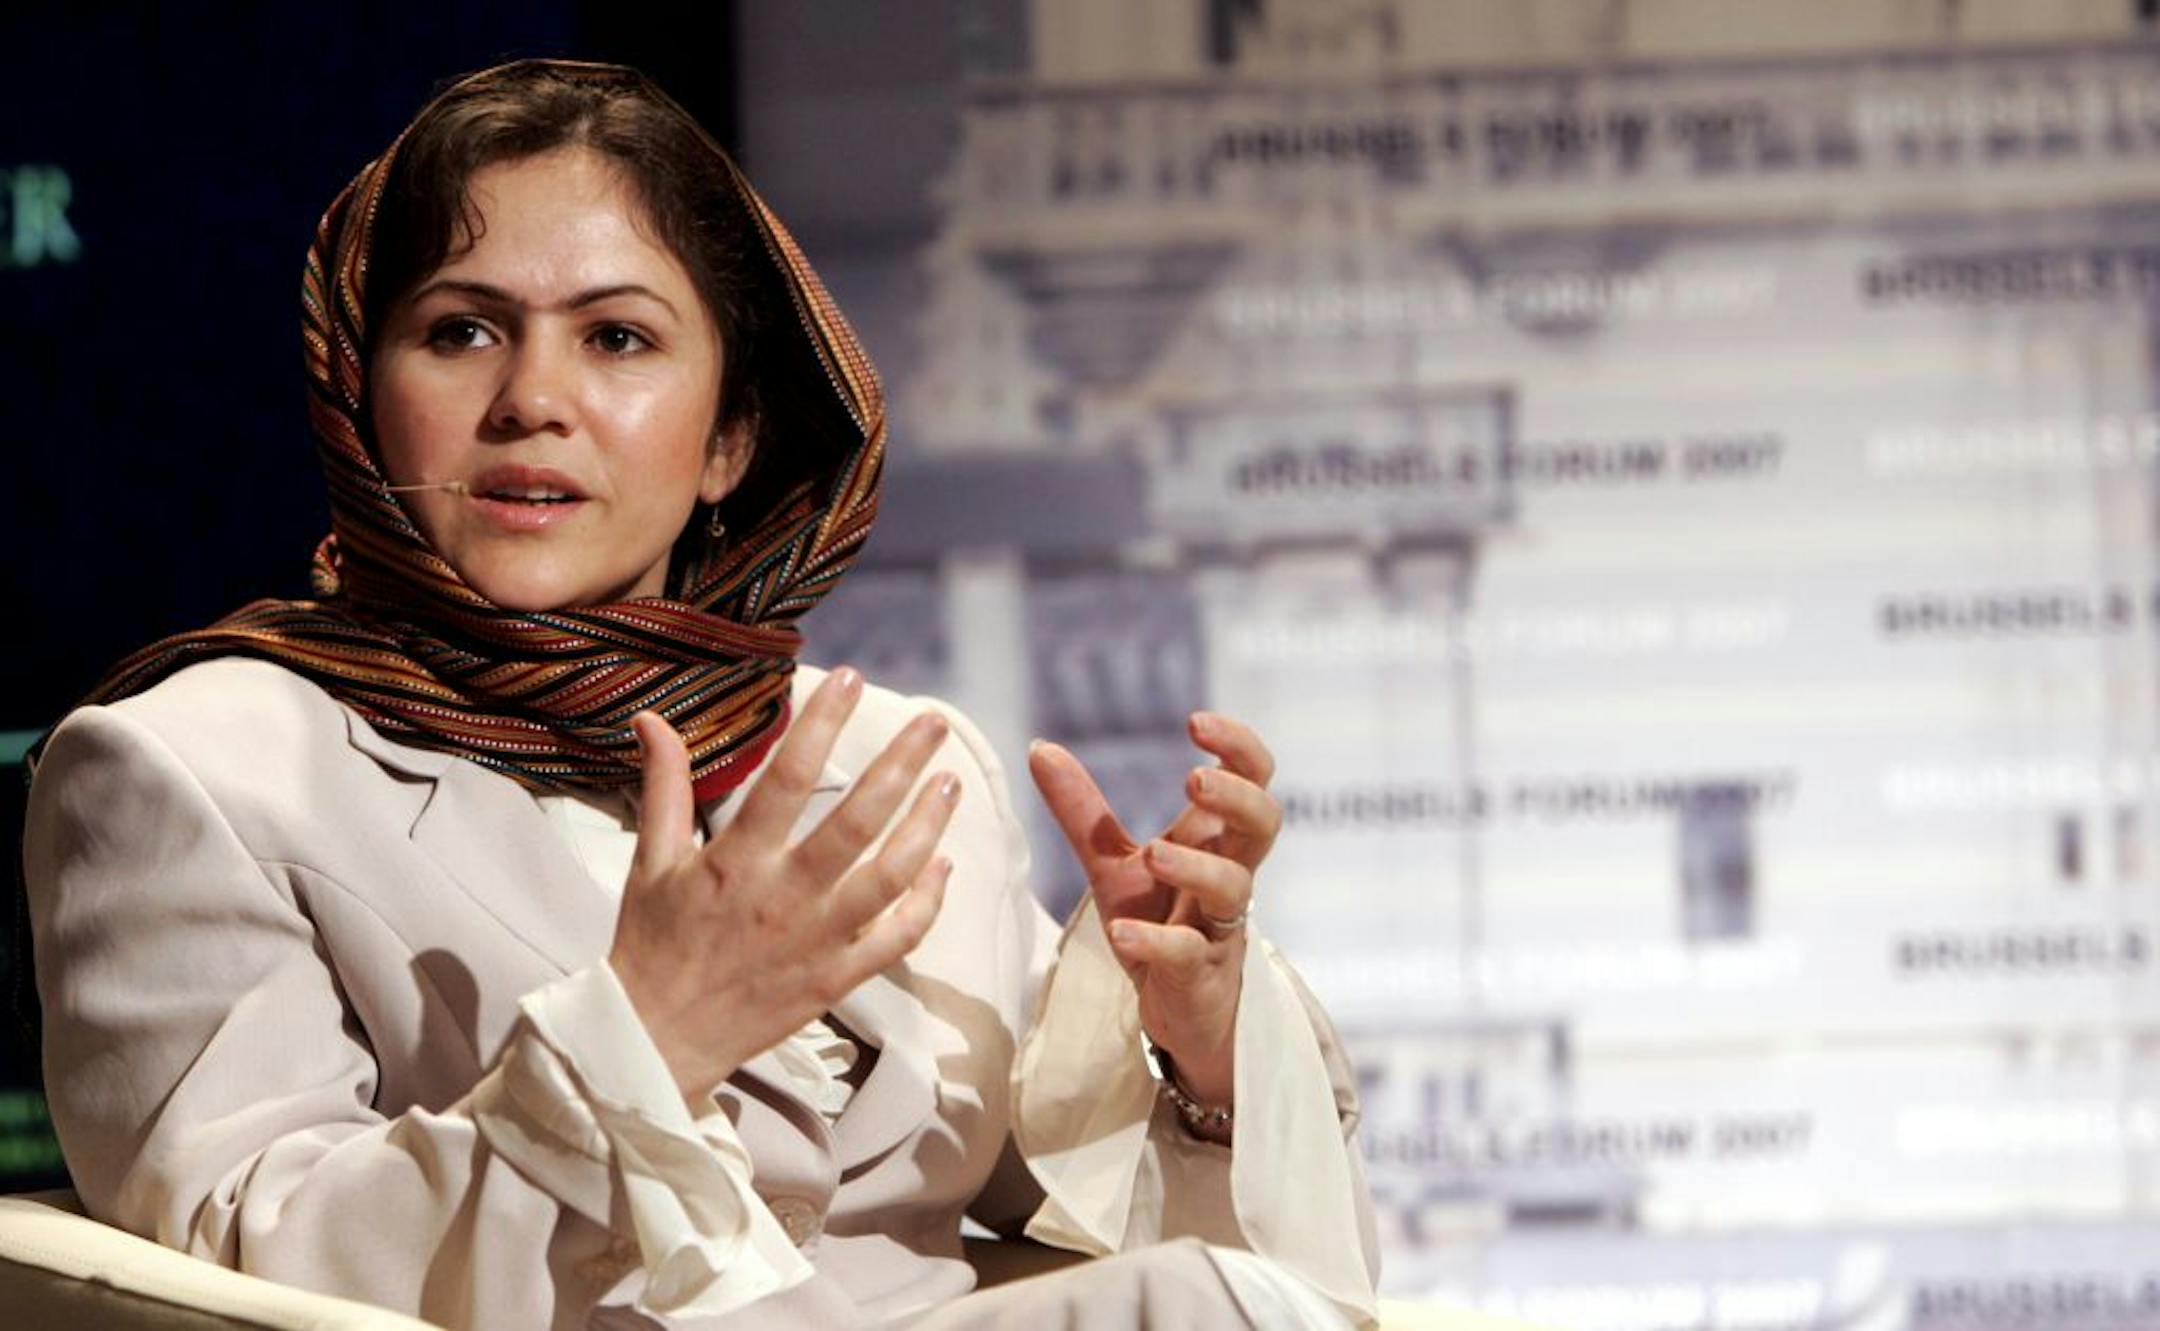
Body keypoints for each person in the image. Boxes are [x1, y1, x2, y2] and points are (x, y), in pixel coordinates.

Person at [21, 59, 1377, 1330]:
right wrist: (651, 1030)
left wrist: (1194, 1049)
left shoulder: (889, 762)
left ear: (729, 437)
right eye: (462, 330)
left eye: (616, 338)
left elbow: (1056, 1201)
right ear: (362, 403)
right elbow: (237, 1264)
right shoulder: (192, 770)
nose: (531, 399)